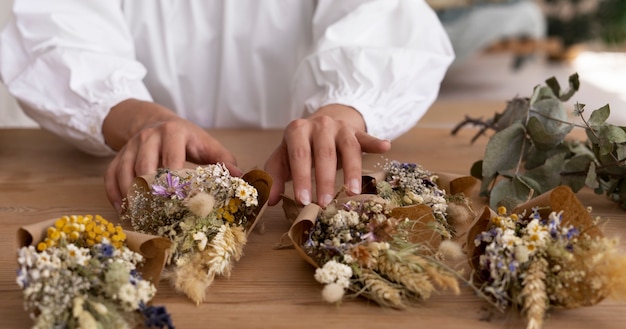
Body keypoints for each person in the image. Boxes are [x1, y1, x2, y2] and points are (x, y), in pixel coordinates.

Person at [0, 0, 454, 212]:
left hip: (301, 185)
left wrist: (343, 112)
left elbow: (384, 16)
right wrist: (141, 118)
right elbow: (57, 20)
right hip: (134, 162)